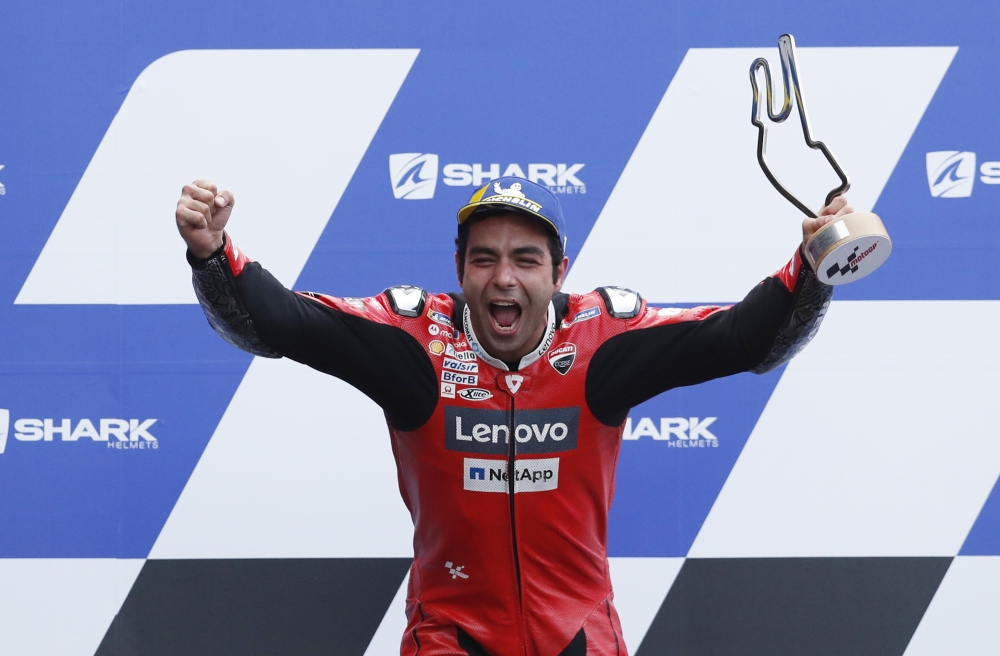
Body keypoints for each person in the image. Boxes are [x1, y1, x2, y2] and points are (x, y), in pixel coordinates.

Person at [176, 176, 849, 656]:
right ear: (460, 271)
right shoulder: (414, 342)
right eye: (485, 258)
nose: (504, 278)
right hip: (451, 634)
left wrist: (816, 265)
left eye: (526, 260)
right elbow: (278, 324)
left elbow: (742, 340)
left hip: (580, 635)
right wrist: (212, 253)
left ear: (558, 273)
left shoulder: (603, 342)